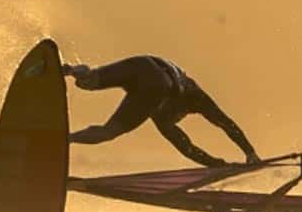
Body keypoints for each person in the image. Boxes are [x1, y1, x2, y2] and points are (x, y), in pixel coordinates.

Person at [62, 55, 261, 168]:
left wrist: (219, 162)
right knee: (108, 132)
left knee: (90, 81)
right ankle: (65, 139)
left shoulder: (162, 118)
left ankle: (71, 71)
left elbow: (190, 146)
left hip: (142, 63)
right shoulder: (192, 99)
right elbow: (220, 125)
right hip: (160, 83)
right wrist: (247, 153)